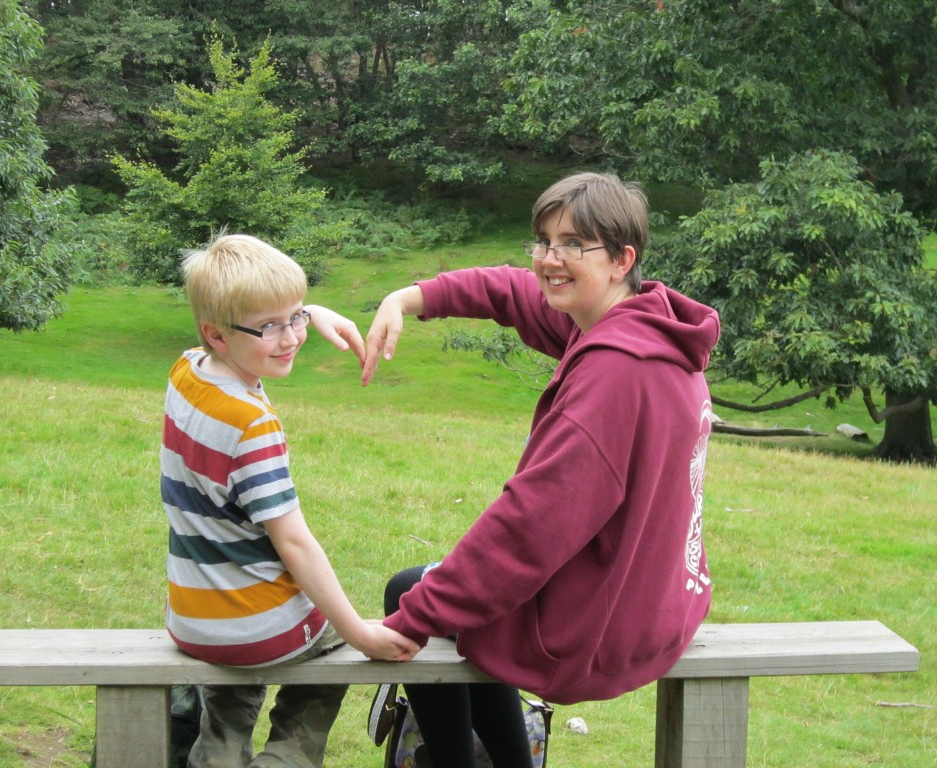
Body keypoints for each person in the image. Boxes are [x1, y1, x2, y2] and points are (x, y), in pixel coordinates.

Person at [362, 172, 719, 767]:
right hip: (664, 597)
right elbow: (510, 291)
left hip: (604, 624)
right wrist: (407, 298)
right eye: (544, 241)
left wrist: (414, 618)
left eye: (574, 244)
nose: (551, 259)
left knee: (411, 590)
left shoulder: (613, 376)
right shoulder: (645, 327)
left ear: (622, 259)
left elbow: (529, 529)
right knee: (452, 601)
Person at [162, 233, 419, 768]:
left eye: (295, 318)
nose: (291, 338)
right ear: (217, 334)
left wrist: (310, 314)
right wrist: (358, 633)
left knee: (233, 692)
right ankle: (286, 759)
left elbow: (256, 324)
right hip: (256, 627)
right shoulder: (251, 424)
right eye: (271, 327)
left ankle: (217, 755)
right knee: (334, 647)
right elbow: (294, 543)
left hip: (192, 618)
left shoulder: (186, 371)